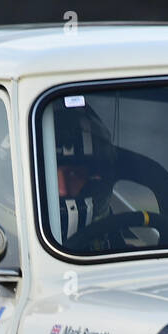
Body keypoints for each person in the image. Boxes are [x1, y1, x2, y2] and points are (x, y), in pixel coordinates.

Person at [53, 104, 118, 248]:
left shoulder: (118, 248)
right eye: (51, 176)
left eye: (73, 174)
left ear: (95, 180)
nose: (63, 189)